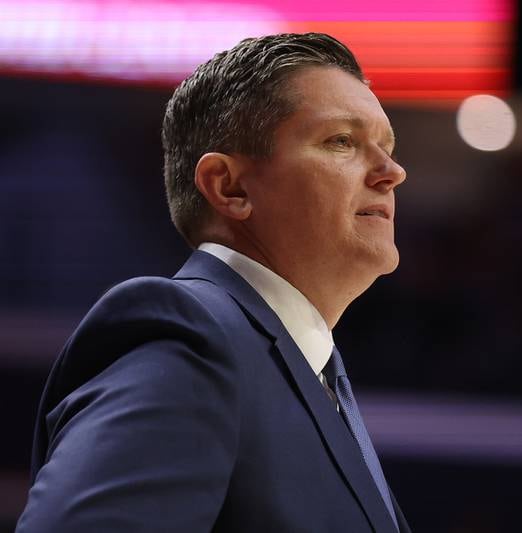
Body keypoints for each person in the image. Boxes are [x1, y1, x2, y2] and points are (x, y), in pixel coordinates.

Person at [16, 33, 410, 532]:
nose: (391, 171)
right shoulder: (190, 338)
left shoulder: (307, 371)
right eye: (342, 141)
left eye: (388, 147)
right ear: (230, 186)